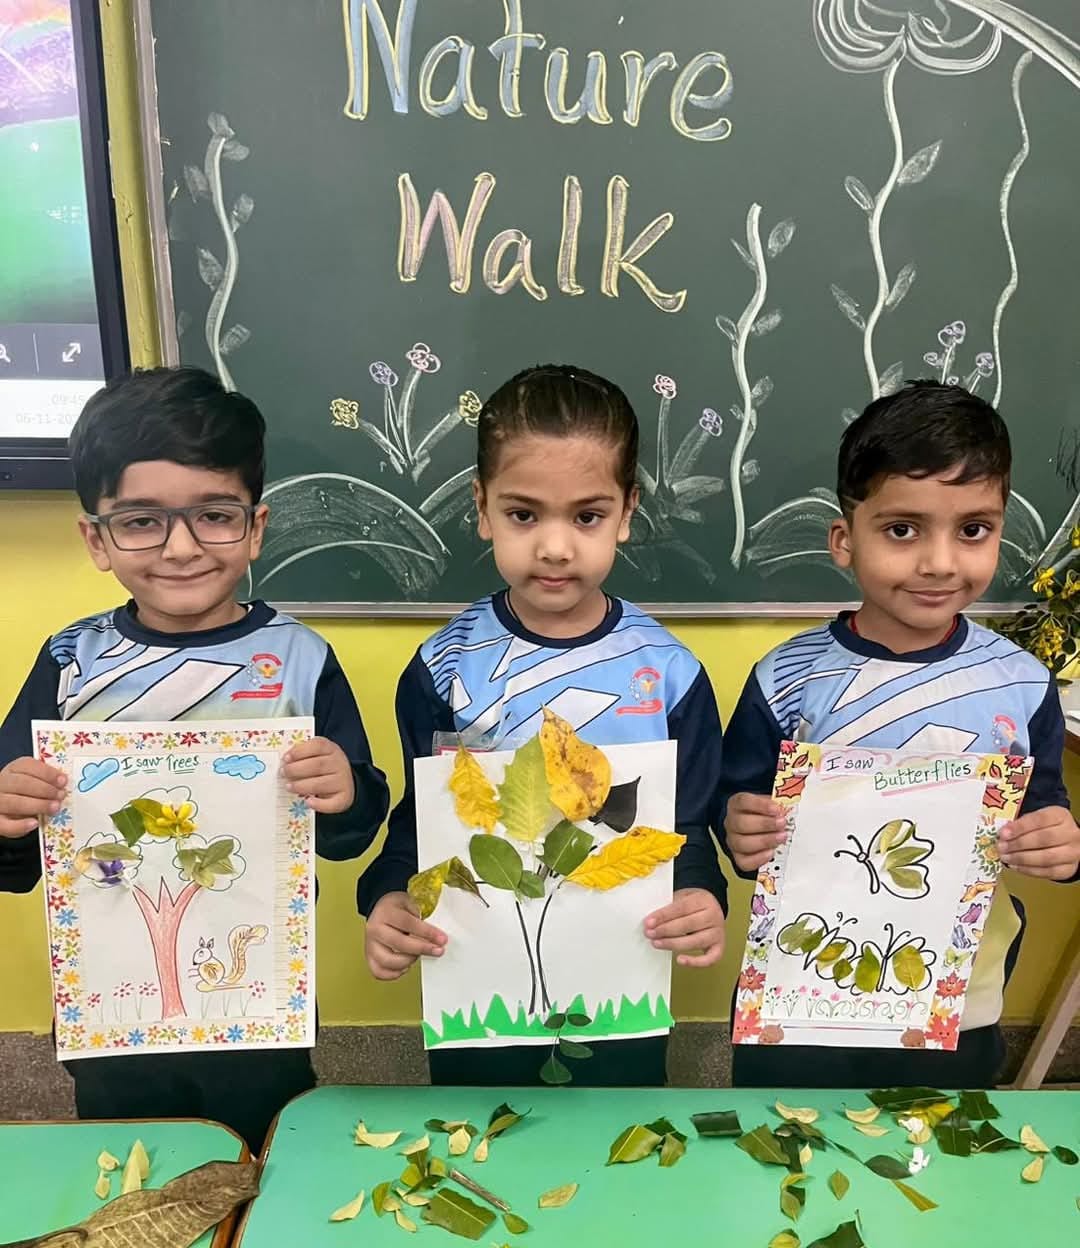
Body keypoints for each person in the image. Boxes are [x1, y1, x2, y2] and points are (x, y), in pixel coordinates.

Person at [0, 367, 389, 1148]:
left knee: (266, 1154)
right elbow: (15, 855)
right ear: (96, 538)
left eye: (214, 515)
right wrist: (7, 811)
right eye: (141, 520)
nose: (180, 547)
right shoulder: (72, 661)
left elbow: (351, 831)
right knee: (127, 1161)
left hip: (262, 998)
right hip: (110, 1005)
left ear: (256, 527)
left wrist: (346, 792)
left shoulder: (300, 658)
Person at [359, 363, 728, 1085]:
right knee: (475, 1138)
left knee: (620, 1140)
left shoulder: (669, 674)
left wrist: (700, 896)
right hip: (478, 991)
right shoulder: (442, 668)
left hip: (620, 983)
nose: (555, 547)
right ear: (482, 507)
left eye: (587, 517)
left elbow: (685, 829)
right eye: (523, 515)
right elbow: (422, 824)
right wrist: (388, 896)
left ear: (627, 511)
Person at [719, 380, 1080, 1088]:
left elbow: (1044, 812)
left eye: (973, 530)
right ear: (843, 540)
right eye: (902, 530)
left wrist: (1062, 847)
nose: (940, 562)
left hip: (956, 1004)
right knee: (781, 1141)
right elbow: (736, 812)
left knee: (941, 1144)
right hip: (800, 994)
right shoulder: (786, 679)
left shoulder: (1021, 683)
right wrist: (740, 830)